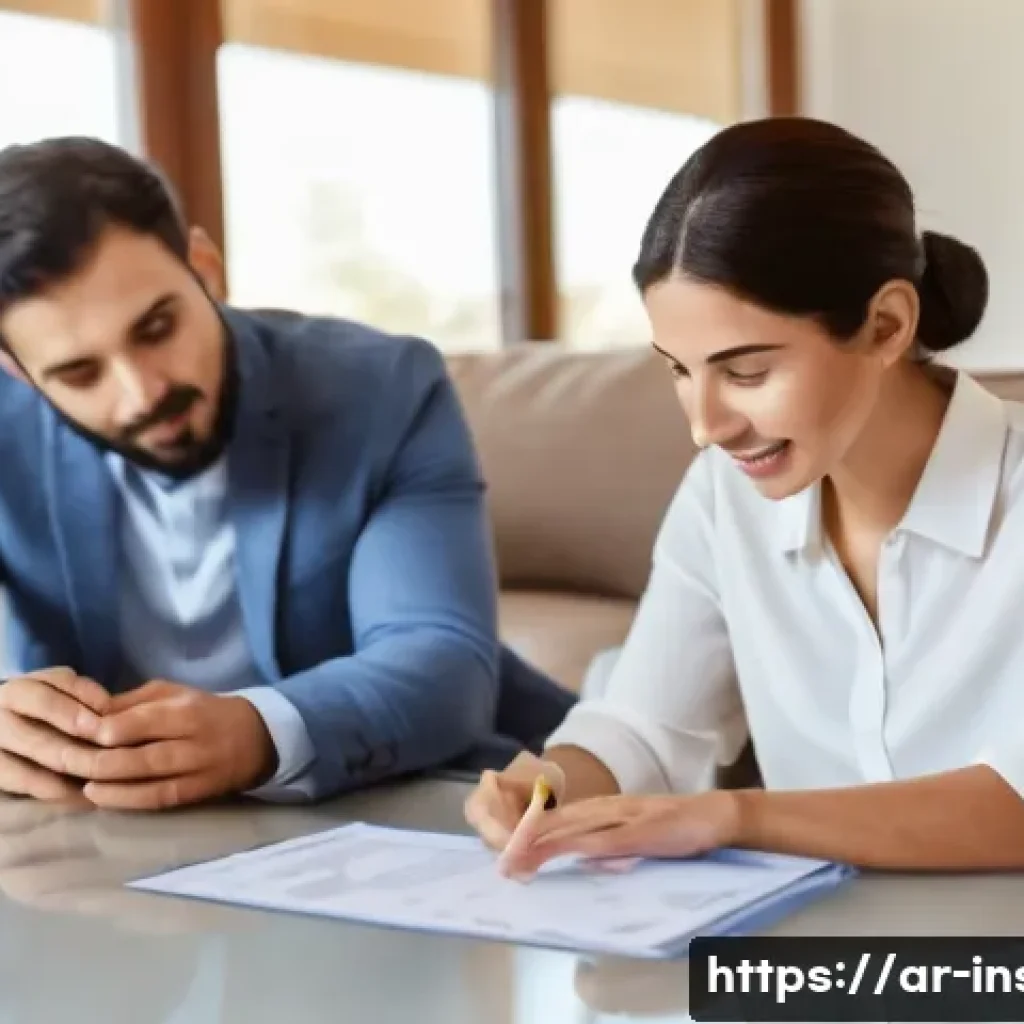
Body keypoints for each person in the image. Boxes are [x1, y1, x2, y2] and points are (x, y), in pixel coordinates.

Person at [465, 116, 1024, 876]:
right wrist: (551, 786)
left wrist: (731, 815)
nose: (706, 425)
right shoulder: (727, 497)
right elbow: (645, 725)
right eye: (679, 370)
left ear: (887, 325)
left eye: (747, 372)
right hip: (818, 965)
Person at [0, 136, 574, 810]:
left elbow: (442, 663)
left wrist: (256, 734)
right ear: (16, 369)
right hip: (107, 841)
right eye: (79, 373)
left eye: (157, 327)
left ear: (206, 270)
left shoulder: (381, 390)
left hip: (389, 804)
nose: (141, 393)